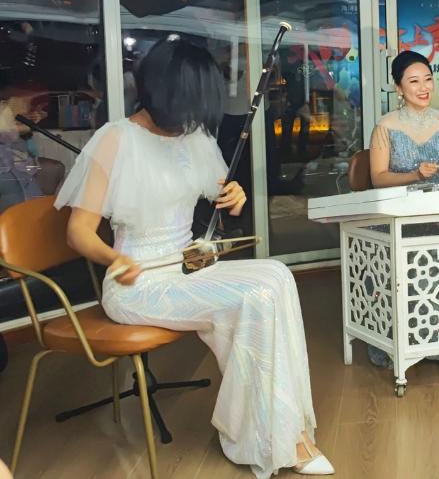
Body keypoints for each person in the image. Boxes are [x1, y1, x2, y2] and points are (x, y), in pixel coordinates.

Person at [55, 37, 333, 477]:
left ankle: (285, 429)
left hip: (188, 265)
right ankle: (271, 438)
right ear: (165, 92)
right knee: (256, 297)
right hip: (138, 283)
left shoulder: (194, 136)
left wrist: (235, 195)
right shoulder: (115, 139)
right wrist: (113, 259)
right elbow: (78, 232)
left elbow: (222, 193)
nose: (197, 116)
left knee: (277, 275)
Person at [367, 49, 439, 372]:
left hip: (437, 211)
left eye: (428, 79)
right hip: (396, 214)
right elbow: (378, 178)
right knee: (402, 278)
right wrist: (415, 175)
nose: (424, 87)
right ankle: (402, 343)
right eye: (414, 81)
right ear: (398, 88)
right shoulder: (385, 126)